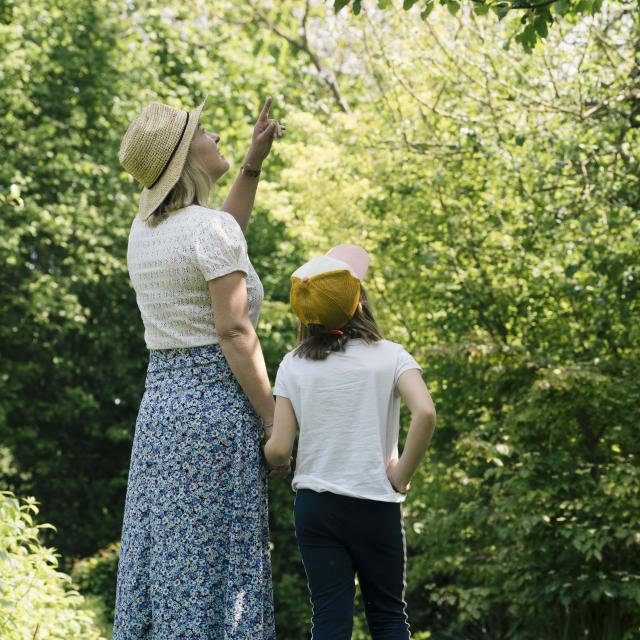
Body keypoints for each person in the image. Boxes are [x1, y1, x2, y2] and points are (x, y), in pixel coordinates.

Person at [112, 93, 288, 639]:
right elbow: (234, 331)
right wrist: (273, 418)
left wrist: (252, 166)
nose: (217, 139)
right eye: (206, 134)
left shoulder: (146, 232)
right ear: (188, 157)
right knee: (216, 565)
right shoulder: (208, 231)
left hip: (163, 413)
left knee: (172, 559)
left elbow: (222, 241)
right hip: (214, 411)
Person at [262, 244, 437, 640]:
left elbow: (280, 449)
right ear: (358, 303)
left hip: (317, 507)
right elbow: (425, 413)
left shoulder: (295, 363)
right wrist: (401, 477)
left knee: (329, 621)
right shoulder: (391, 356)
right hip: (375, 503)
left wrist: (270, 452)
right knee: (390, 616)